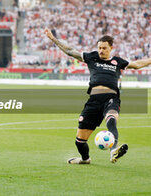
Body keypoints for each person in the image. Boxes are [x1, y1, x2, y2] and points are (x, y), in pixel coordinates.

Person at [44, 28, 151, 164]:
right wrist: (53, 39)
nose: (101, 50)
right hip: (93, 101)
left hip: (111, 98)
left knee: (111, 119)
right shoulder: (92, 57)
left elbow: (137, 65)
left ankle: (114, 151)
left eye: (104, 48)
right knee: (80, 140)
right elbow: (70, 51)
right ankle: (85, 159)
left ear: (111, 48)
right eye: (99, 47)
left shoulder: (118, 62)